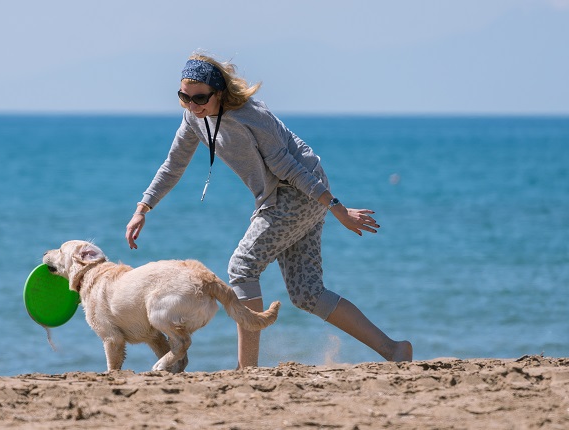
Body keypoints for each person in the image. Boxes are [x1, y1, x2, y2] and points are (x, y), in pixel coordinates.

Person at [125, 52, 412, 367]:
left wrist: (336, 208)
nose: (193, 105)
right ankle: (394, 350)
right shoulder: (194, 118)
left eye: (200, 98)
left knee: (242, 267)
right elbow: (174, 164)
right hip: (283, 195)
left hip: (299, 192)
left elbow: (288, 167)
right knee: (308, 294)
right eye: (184, 97)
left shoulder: (251, 116)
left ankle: (246, 369)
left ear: (218, 92)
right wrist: (144, 207)